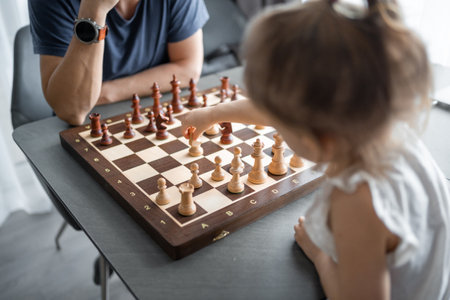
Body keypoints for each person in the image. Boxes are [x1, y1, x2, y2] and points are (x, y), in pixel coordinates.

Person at [180, 0, 450, 299]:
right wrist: (213, 114)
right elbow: (283, 110)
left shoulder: (356, 199)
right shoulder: (387, 127)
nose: (274, 121)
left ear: (314, 135)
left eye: (281, 122)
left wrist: (320, 255)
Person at [28, 0, 209, 125]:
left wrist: (101, 93)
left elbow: (187, 70)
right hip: (87, 125)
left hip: (153, 111)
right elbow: (72, 111)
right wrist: (94, 11)